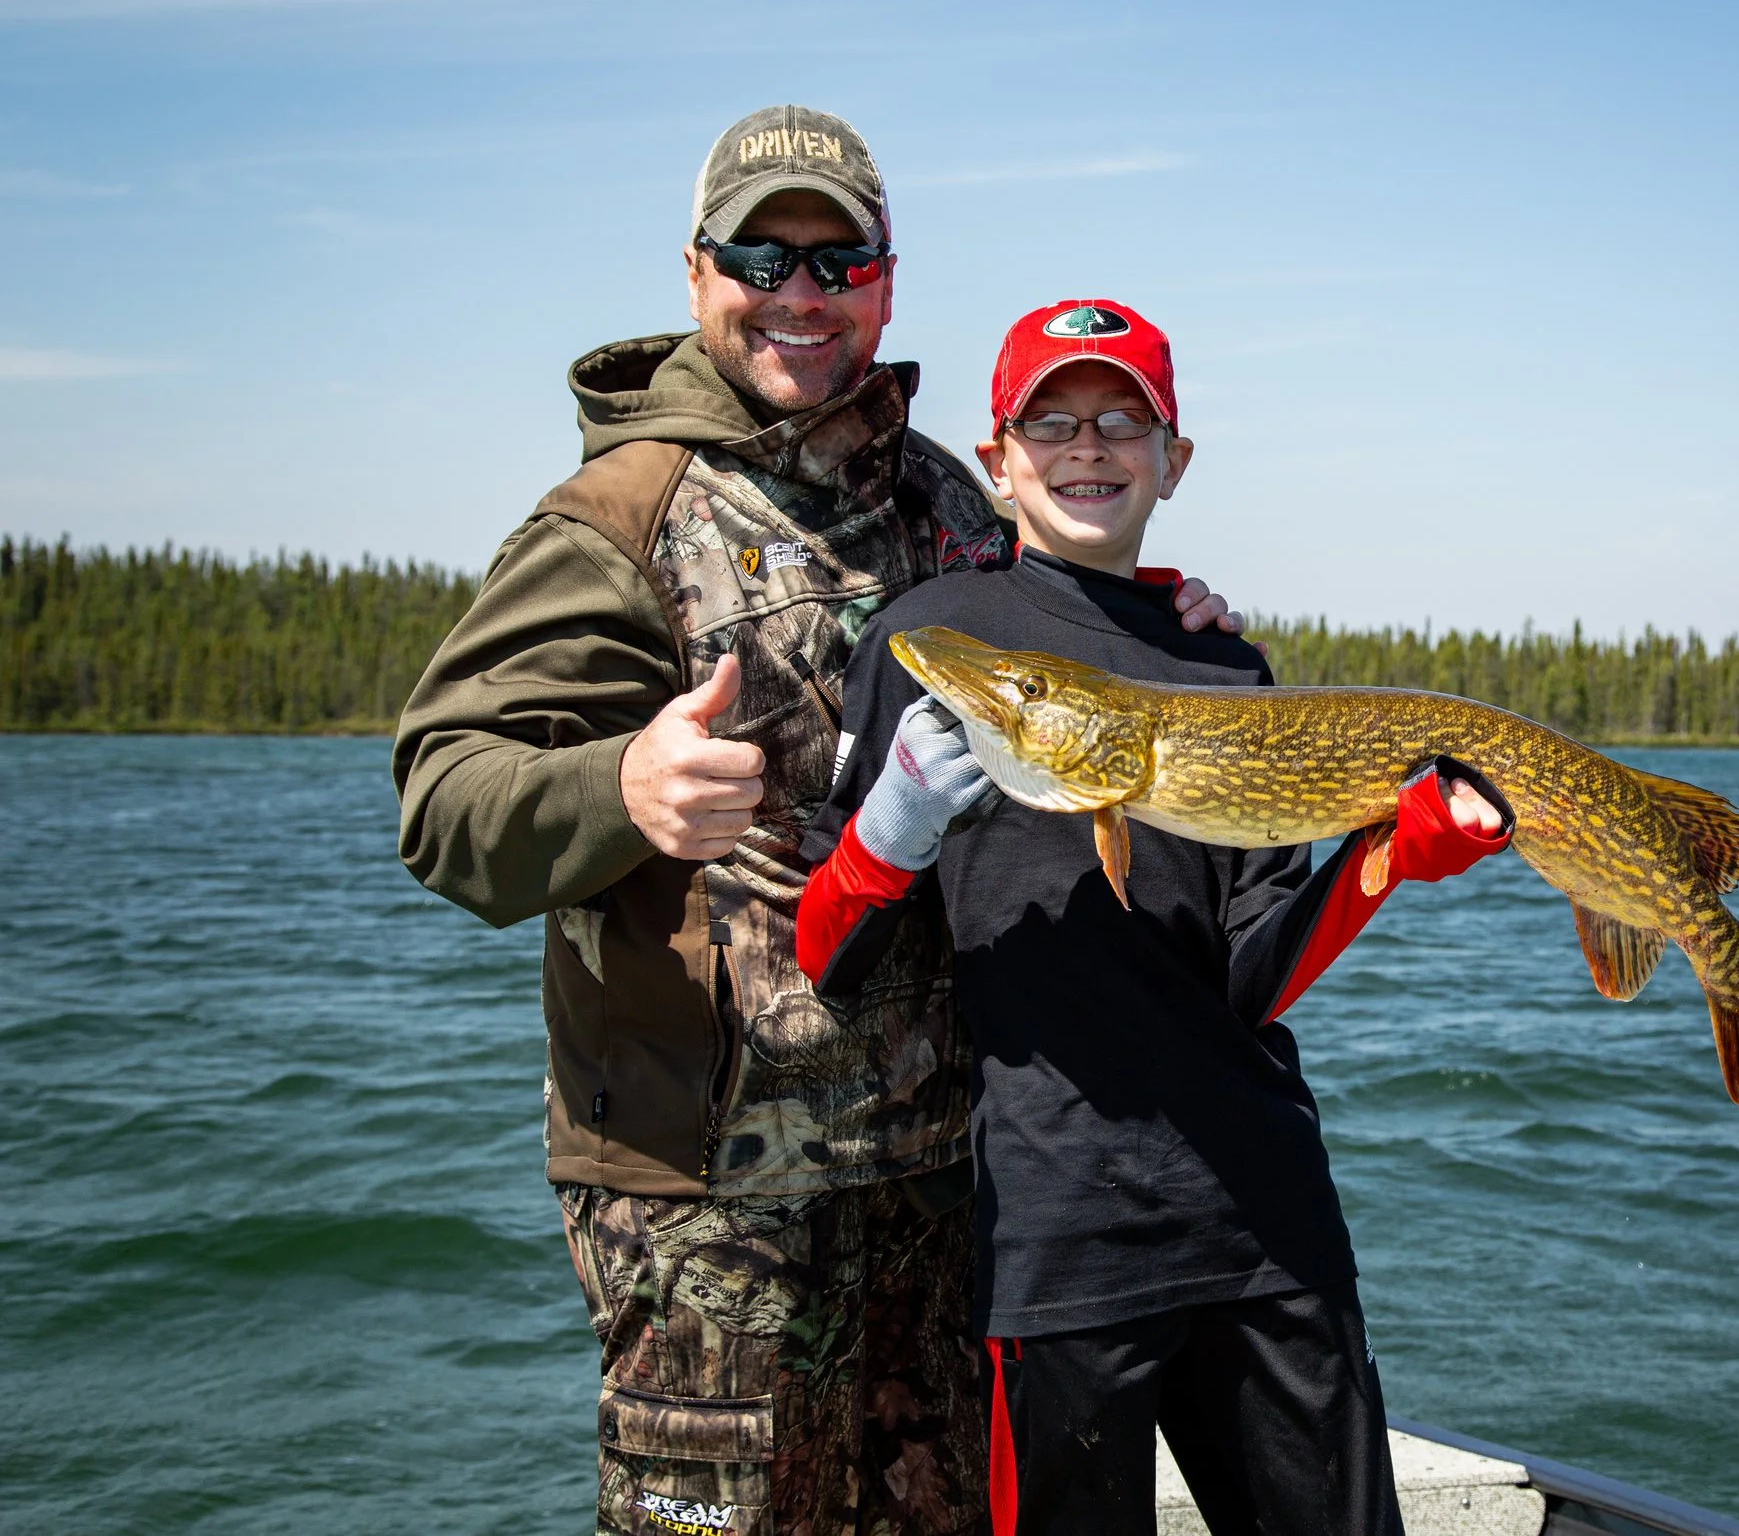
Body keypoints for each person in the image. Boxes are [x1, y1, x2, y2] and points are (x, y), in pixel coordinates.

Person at [392, 108, 1243, 1536]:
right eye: (759, 257)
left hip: (949, 1174)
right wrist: (619, 787)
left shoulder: (949, 500)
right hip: (708, 1203)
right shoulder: (612, 519)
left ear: (886, 283)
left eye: (837, 260)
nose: (799, 291)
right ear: (696, 273)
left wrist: (1171, 620)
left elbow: (1067, 638)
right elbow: (443, 800)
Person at [792, 300, 1513, 1536]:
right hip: (1056, 1232)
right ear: (999, 456)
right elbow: (826, 955)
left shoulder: (1226, 666)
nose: (1088, 446)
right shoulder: (929, 639)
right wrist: (888, 831)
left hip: (1265, 1219)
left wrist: (1390, 852)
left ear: (1172, 461)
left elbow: (1254, 980)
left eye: (1123, 421)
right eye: (1052, 421)